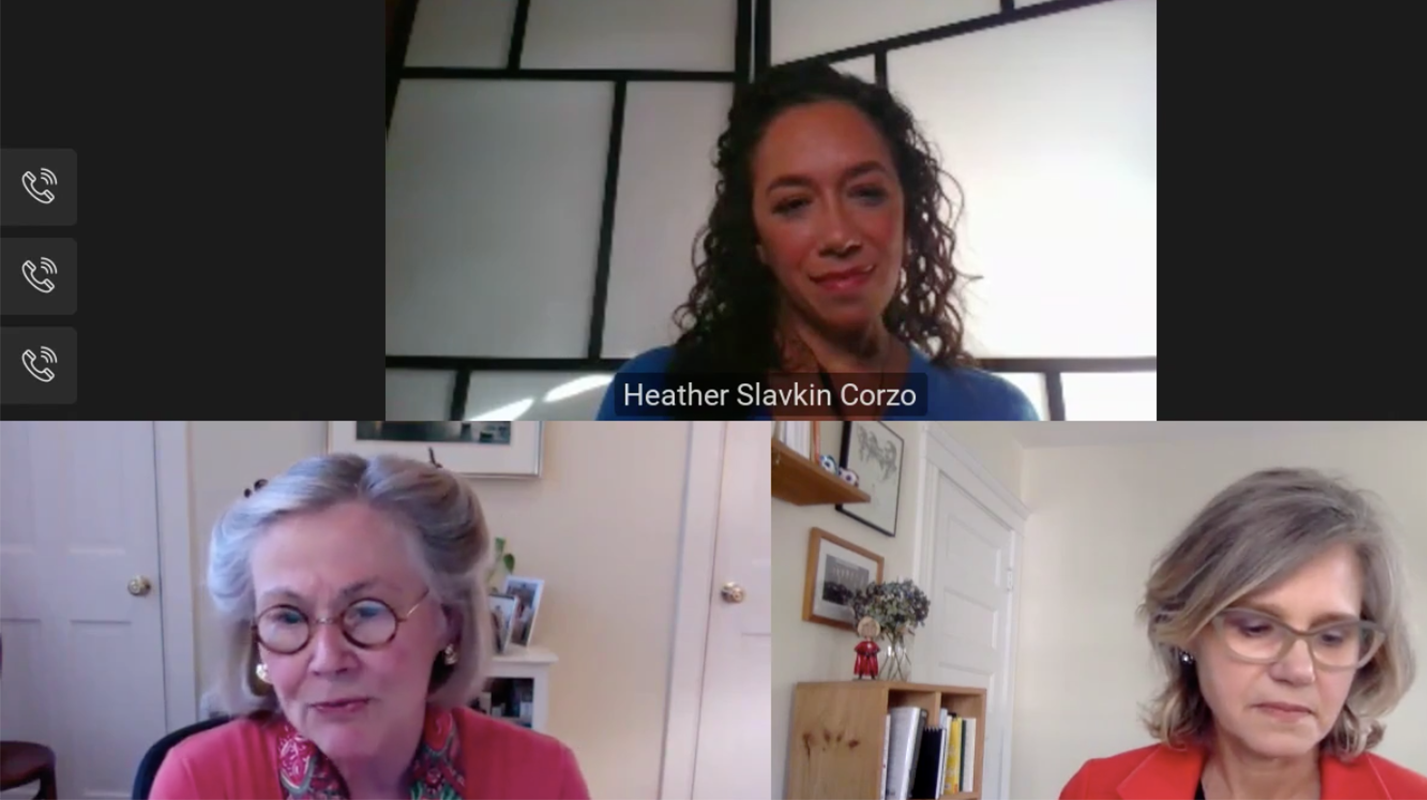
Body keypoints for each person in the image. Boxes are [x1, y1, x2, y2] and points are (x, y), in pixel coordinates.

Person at [597, 61, 1038, 421]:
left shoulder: (995, 413)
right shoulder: (655, 394)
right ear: (755, 238)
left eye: (866, 193)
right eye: (794, 204)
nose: (839, 236)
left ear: (908, 211)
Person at [149, 453, 591, 800]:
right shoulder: (199, 781)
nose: (327, 660)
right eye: (287, 616)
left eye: (367, 611)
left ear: (449, 622)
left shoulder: (542, 779)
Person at [1058, 468, 1427, 800]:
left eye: (1331, 637)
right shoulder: (1095, 791)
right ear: (1188, 631)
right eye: (1256, 628)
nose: (1298, 670)